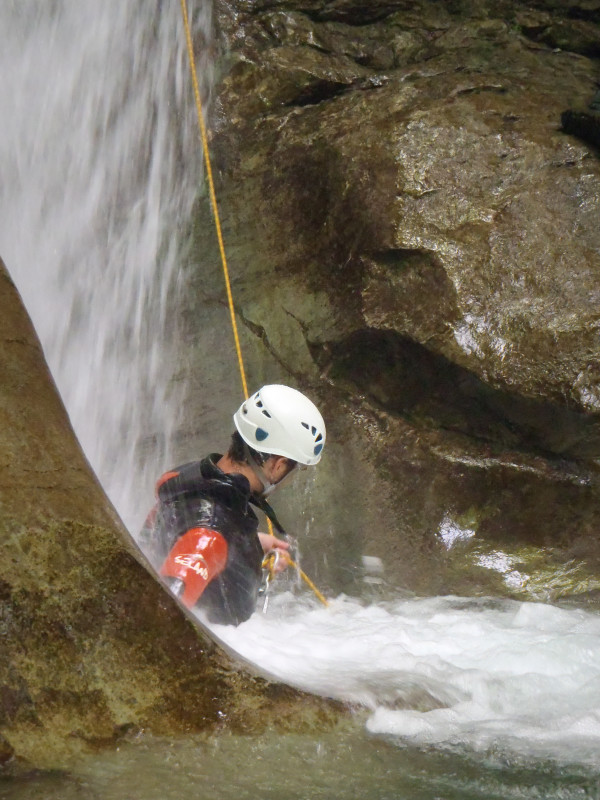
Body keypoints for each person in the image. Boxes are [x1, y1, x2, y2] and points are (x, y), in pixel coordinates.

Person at [140, 384, 325, 625]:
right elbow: (157, 619)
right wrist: (222, 545)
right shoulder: (210, 538)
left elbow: (154, 535)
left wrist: (247, 546)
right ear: (278, 465)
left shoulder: (183, 479)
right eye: (294, 469)